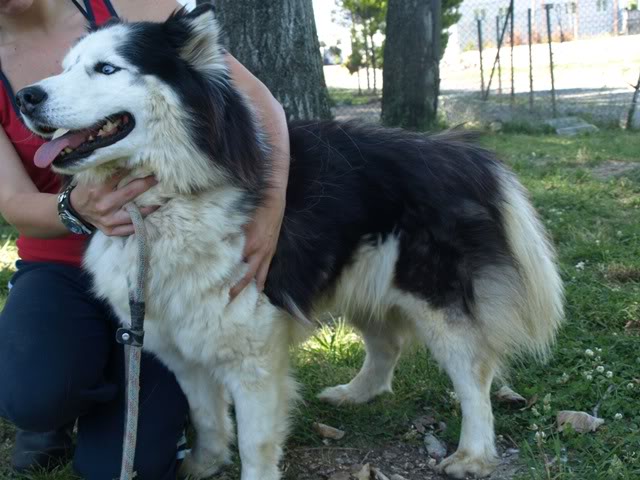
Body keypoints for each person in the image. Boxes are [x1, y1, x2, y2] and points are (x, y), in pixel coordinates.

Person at [0, 0, 290, 478]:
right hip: (60, 263)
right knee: (33, 394)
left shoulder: (132, 5)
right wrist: (77, 208)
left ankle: (134, 396)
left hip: (165, 262)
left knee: (124, 469)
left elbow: (262, 105)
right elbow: (12, 202)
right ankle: (61, 402)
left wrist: (270, 207)